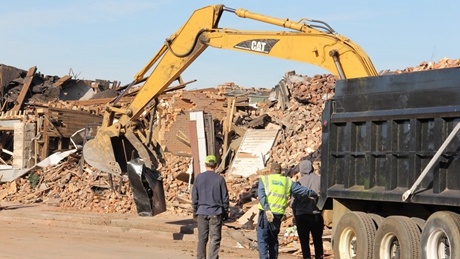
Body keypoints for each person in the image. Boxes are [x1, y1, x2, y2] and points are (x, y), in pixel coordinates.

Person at [257, 162, 318, 259]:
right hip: (278, 214)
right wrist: (313, 193)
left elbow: (261, 196)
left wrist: (267, 209)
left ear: (270, 171)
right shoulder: (287, 182)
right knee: (273, 239)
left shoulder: (264, 179)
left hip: (266, 213)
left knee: (262, 239)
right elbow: (301, 190)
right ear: (280, 172)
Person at [192, 155, 229, 259]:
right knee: (215, 239)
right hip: (215, 213)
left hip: (202, 212)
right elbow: (225, 198)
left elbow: (194, 196)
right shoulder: (220, 179)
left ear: (205, 165)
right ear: (216, 165)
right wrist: (225, 212)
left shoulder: (198, 177)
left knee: (202, 239)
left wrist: (195, 210)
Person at [291, 159, 323, 259]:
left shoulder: (298, 183)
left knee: (304, 242)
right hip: (316, 215)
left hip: (301, 216)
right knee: (318, 240)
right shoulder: (321, 180)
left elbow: (293, 203)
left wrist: (294, 217)